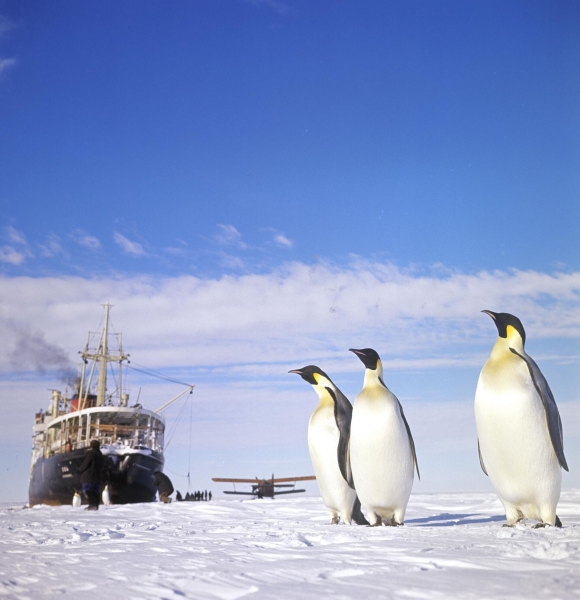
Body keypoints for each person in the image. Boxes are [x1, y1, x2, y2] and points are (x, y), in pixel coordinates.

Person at [78, 440, 104, 511]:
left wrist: (79, 470)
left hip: (89, 476)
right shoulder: (100, 454)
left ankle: (92, 505)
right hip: (98, 476)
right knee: (96, 492)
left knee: (88, 490)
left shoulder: (91, 453)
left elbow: (86, 464)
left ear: (91, 446)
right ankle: (96, 505)